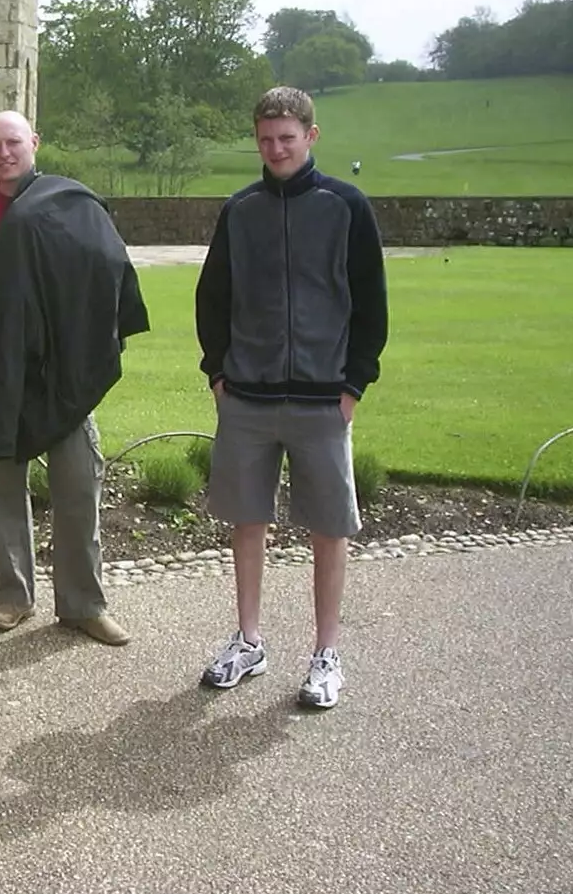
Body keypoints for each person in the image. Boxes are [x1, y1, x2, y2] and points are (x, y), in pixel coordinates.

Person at [195, 86, 388, 709]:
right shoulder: (241, 208)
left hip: (322, 398)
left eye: (287, 137)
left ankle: (325, 654)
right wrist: (218, 374)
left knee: (329, 530)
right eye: (265, 138)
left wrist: (353, 385)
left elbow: (370, 303)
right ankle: (249, 641)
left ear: (311, 135)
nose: (276, 148)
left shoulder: (346, 205)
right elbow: (213, 297)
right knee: (246, 523)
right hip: (247, 396)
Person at [0, 112, 134, 646]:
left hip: (59, 369)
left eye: (13, 142)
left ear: (34, 143)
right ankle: (13, 597)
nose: (4, 153)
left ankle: (84, 604)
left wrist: (95, 346)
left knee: (78, 479)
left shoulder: (71, 205)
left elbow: (106, 273)